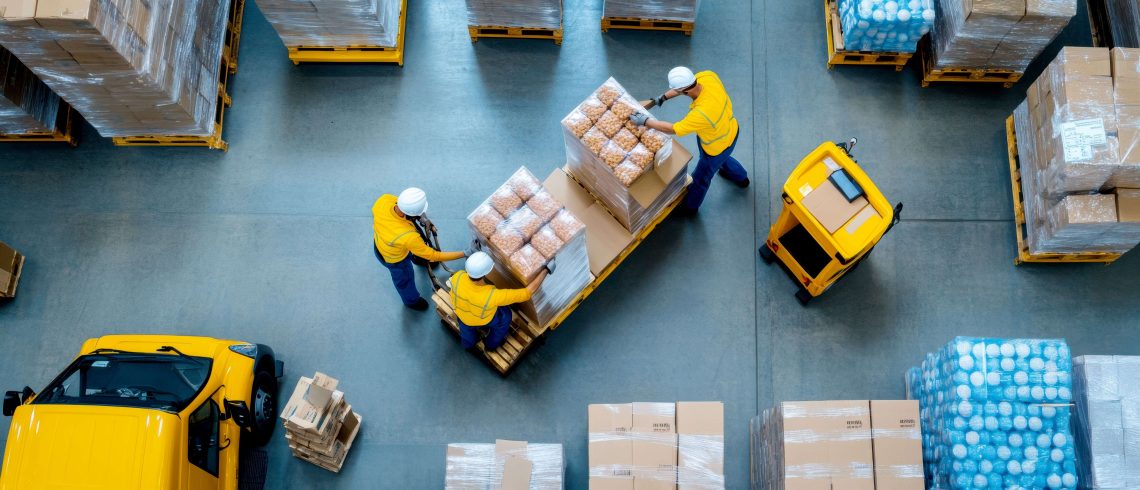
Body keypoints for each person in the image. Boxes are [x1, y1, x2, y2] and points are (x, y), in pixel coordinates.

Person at [632, 66, 749, 215]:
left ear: (683, 91)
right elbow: (684, 87)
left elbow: (673, 129)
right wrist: (662, 98)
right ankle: (742, 179)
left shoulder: (701, 113)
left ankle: (690, 207)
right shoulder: (708, 77)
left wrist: (645, 121)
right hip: (731, 130)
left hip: (714, 147)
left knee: (701, 178)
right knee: (724, 158)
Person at [372, 188, 471, 311]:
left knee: (414, 248)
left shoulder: (383, 200)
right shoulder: (408, 236)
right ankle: (411, 301)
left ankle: (418, 257)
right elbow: (434, 255)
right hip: (395, 259)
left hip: (381, 242)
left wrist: (423, 218)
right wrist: (464, 253)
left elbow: (405, 210)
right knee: (404, 280)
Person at [448, 252, 551, 350]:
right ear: (485, 273)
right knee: (506, 316)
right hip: (483, 319)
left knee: (466, 326)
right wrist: (546, 270)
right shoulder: (492, 296)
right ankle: (491, 344)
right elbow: (527, 293)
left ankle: (468, 344)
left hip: (462, 315)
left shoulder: (458, 276)